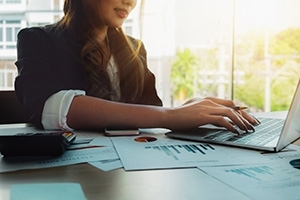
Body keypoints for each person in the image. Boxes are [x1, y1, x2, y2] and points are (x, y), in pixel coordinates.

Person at [15, 0, 259, 133]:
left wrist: (193, 108)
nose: (130, 2)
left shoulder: (134, 49)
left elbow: (151, 112)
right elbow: (52, 107)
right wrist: (171, 115)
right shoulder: (37, 39)